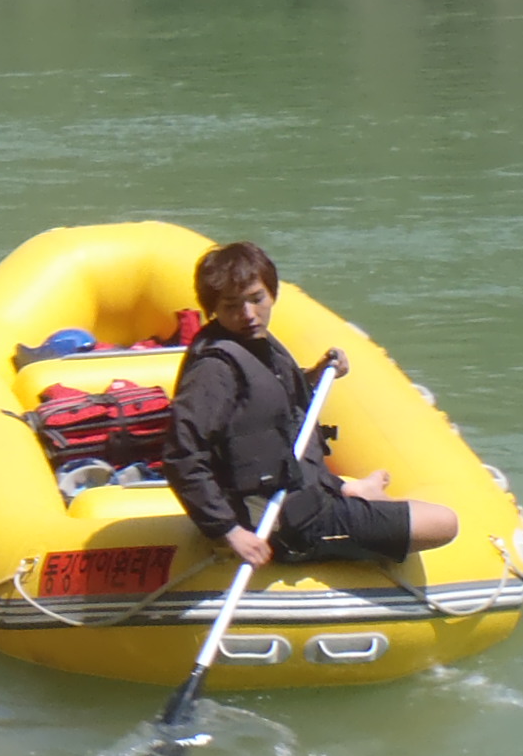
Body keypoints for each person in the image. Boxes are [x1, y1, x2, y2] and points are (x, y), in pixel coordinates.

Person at [164, 240, 458, 570]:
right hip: (288, 522)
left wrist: (315, 376)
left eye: (256, 299)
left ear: (272, 294)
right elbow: (181, 454)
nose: (248, 314)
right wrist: (229, 530)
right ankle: (351, 501)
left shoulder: (254, 342)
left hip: (301, 487)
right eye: (232, 306)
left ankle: (352, 489)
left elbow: (261, 405)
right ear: (214, 308)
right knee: (444, 522)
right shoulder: (214, 369)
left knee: (358, 492)